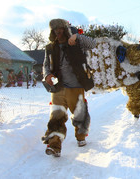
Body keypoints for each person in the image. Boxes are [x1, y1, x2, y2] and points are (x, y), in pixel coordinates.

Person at [41, 18, 96, 157]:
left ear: (65, 30)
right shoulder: (50, 48)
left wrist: (77, 36)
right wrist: (47, 75)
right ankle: (55, 145)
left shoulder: (77, 43)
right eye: (55, 30)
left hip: (76, 86)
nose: (58, 32)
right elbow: (46, 65)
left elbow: (93, 43)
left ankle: (81, 136)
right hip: (58, 89)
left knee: (79, 115)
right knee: (56, 117)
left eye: (60, 29)